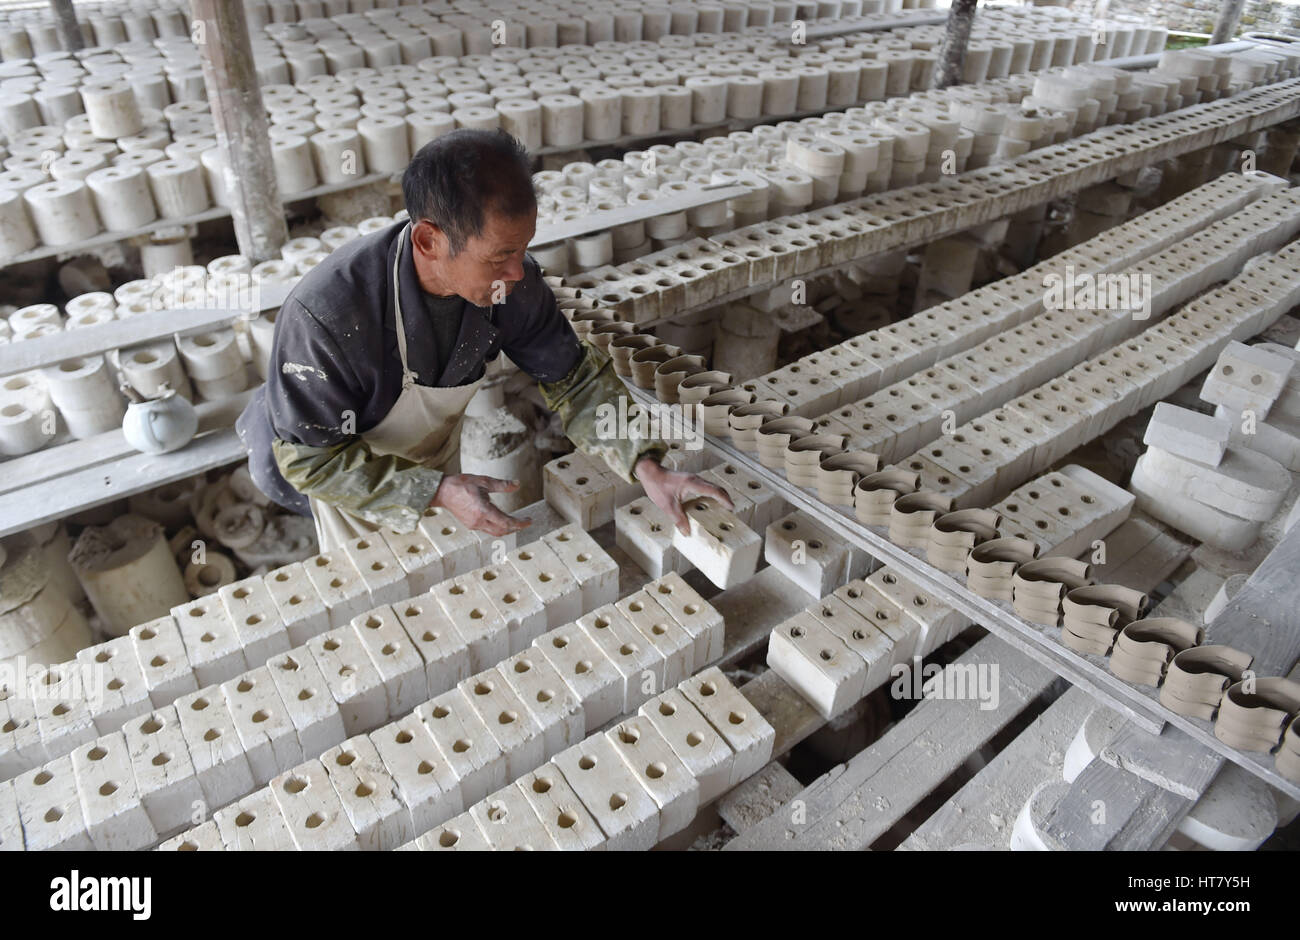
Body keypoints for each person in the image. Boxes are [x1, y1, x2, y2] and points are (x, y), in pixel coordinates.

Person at [237, 128, 731, 551]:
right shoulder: (328, 319)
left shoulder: (510, 283)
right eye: (500, 256)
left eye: (524, 249)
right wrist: (429, 491)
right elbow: (312, 460)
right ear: (429, 240)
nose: (518, 272)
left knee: (446, 571)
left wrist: (645, 464)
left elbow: (574, 380)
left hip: (432, 456)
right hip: (349, 473)